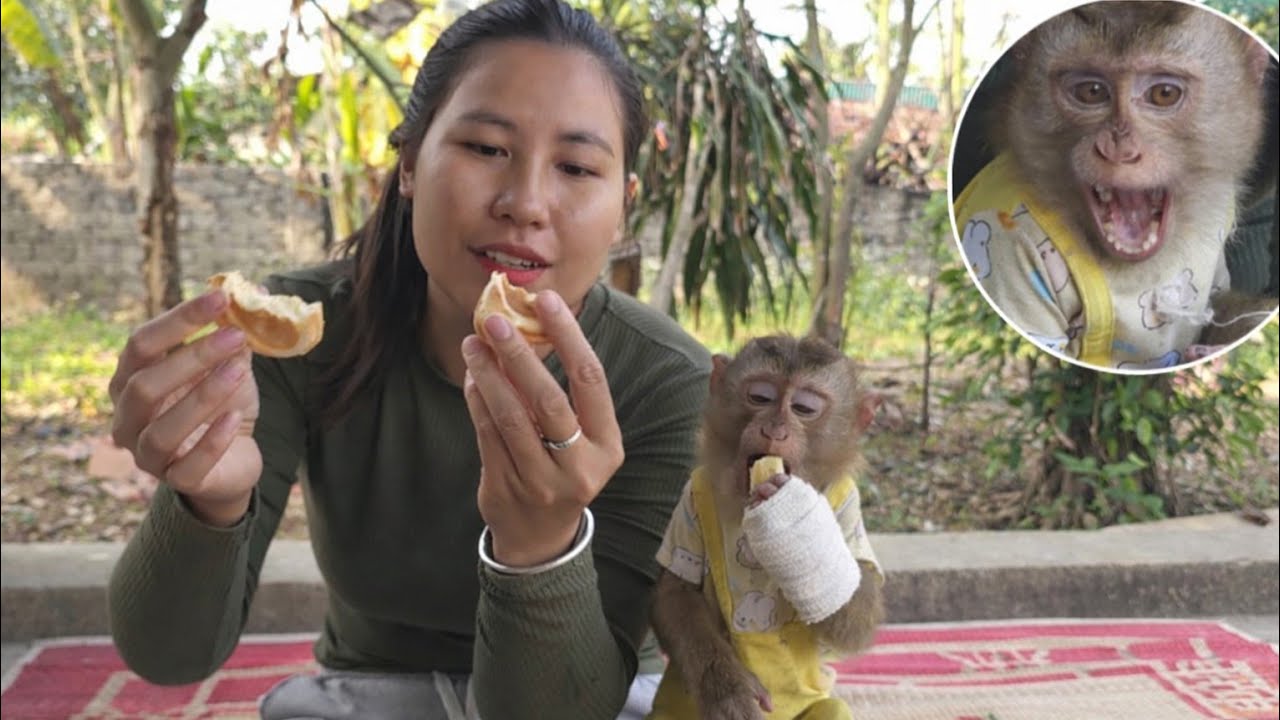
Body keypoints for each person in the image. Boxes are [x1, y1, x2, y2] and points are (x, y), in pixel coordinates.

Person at [104, 1, 712, 718]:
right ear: (410, 165)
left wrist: (543, 545)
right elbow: (168, 657)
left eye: (577, 166)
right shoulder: (298, 335)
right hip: (367, 693)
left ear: (624, 208)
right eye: (487, 148)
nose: (526, 203)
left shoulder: (665, 380)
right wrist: (207, 503)